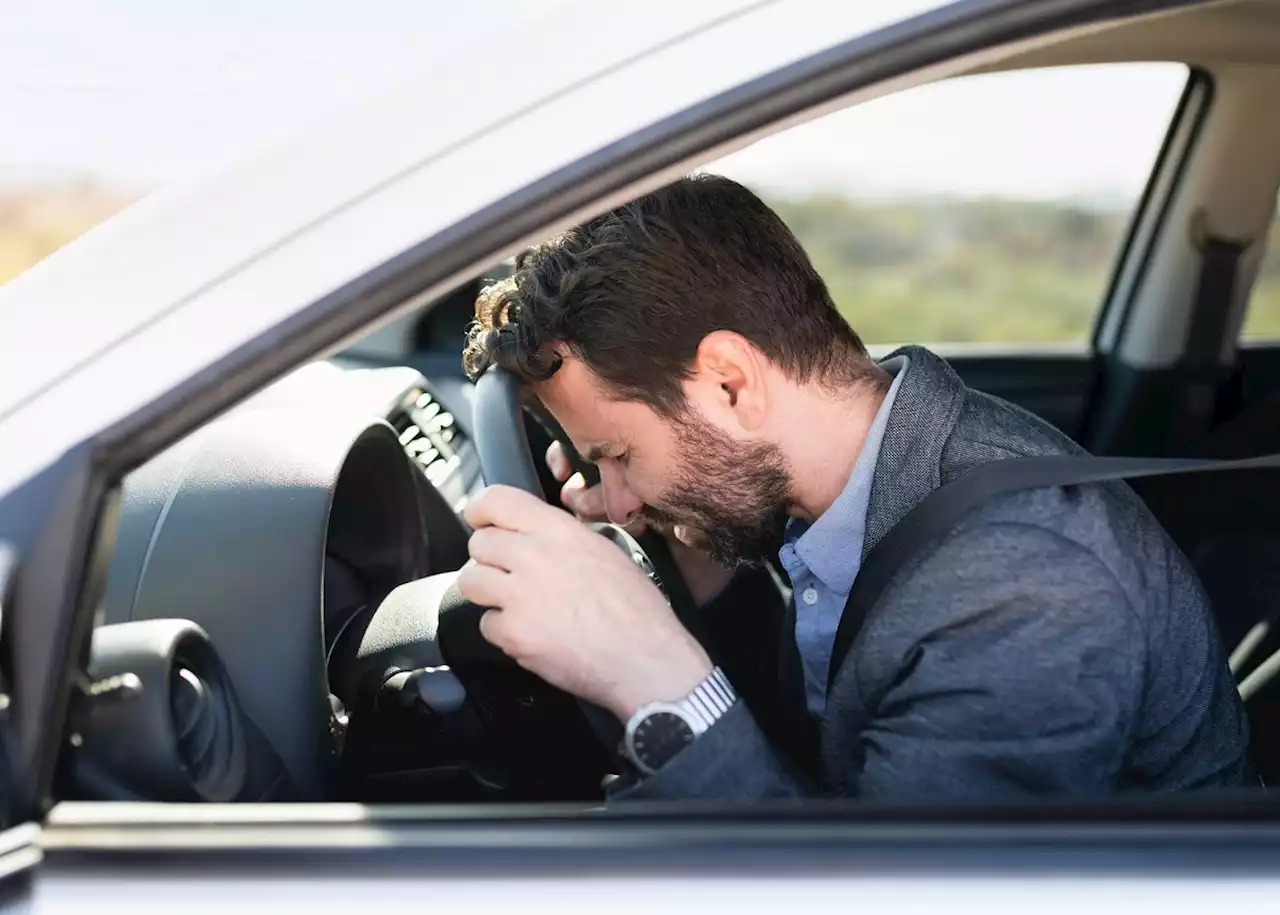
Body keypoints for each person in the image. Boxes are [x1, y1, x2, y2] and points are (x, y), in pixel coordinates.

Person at [457, 173, 1255, 800]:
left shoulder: (1021, 580)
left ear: (731, 383)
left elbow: (888, 893)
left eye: (620, 454)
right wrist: (696, 574)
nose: (618, 499)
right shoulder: (846, 481)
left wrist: (654, 676)